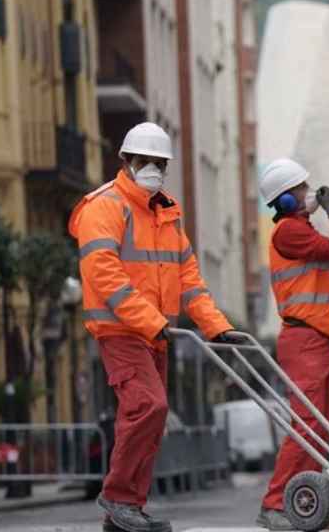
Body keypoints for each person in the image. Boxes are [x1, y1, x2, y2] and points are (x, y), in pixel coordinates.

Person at [68, 122, 236, 532]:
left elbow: (190, 281)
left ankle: (125, 513)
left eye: (160, 163)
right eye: (145, 161)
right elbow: (104, 275)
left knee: (154, 417)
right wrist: (151, 321)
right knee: (149, 406)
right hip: (120, 331)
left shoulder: (167, 214)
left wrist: (217, 328)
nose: (153, 169)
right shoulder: (104, 207)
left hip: (155, 336)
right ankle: (119, 496)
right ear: (125, 161)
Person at [255, 158, 329, 530]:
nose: (308, 192)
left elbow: (307, 286)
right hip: (304, 341)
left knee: (320, 428)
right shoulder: (288, 231)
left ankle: (306, 500)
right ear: (285, 200)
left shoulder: (299, 229)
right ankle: (274, 504)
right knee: (307, 427)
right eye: (301, 188)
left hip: (315, 339)